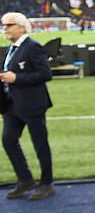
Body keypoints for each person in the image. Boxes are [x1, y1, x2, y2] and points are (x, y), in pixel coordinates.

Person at [0, 12, 54, 200]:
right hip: (11, 106)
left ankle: (46, 183)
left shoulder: (33, 47)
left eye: (9, 25)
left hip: (32, 104)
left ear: (22, 27)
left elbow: (45, 74)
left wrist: (17, 78)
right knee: (8, 141)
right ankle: (25, 180)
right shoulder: (10, 49)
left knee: (40, 144)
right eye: (3, 25)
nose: (4, 28)